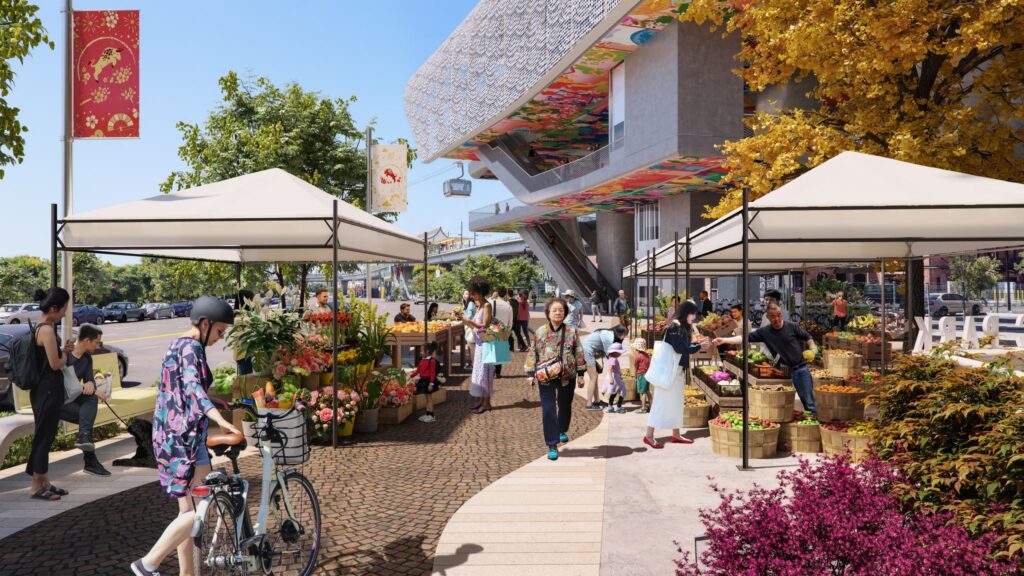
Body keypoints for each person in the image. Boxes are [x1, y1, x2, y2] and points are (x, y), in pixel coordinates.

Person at [131, 297, 241, 576]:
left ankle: (187, 574)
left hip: (176, 436)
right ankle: (148, 564)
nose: (220, 337)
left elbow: (177, 387)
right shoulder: (192, 347)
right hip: (182, 440)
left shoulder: (178, 343)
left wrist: (211, 399)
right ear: (205, 324)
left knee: (189, 512)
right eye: (219, 331)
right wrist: (221, 421)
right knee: (200, 509)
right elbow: (191, 387)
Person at [714, 303, 818, 416]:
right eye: (773, 316)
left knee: (809, 403)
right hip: (781, 371)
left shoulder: (792, 326)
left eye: (779, 315)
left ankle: (814, 425)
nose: (777, 318)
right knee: (781, 405)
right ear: (768, 317)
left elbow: (808, 337)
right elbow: (744, 338)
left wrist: (813, 348)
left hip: (800, 369)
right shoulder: (765, 332)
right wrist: (724, 340)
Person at [26, 287, 75, 501]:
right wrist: (65, 354)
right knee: (43, 437)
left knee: (46, 435)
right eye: (63, 309)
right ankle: (36, 486)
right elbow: (55, 364)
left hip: (44, 390)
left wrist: (62, 352)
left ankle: (44, 480)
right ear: (54, 308)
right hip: (47, 390)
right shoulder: (46, 330)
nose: (64, 313)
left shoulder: (42, 328)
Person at [524, 297, 586, 461]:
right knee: (548, 409)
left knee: (565, 404)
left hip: (567, 375)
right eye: (554, 310)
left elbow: (578, 352)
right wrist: (530, 373)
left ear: (565, 313)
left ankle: (562, 428)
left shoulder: (571, 331)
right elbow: (532, 352)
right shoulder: (540, 332)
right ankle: (552, 444)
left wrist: (581, 374)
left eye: (561, 310)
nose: (558, 312)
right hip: (546, 376)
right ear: (548, 313)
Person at [644, 301, 708, 449]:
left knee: (676, 404)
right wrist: (699, 346)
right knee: (660, 403)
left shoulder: (680, 327)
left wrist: (697, 345)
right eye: (693, 315)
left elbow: (683, 347)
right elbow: (680, 348)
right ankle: (648, 435)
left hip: (676, 371)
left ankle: (676, 434)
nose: (694, 318)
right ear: (687, 313)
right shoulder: (675, 326)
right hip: (669, 372)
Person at [60, 324, 110, 476]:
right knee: (86, 418)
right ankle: (90, 462)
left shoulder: (87, 358)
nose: (98, 345)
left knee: (90, 403)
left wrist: (90, 384)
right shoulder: (65, 355)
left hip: (73, 398)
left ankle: (85, 441)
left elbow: (90, 383)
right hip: (57, 402)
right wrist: (88, 388)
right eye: (97, 342)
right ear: (87, 340)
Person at [462, 276, 495, 414]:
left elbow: (484, 325)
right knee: (480, 373)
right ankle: (482, 400)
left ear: (480, 292)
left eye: (473, 293)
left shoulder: (486, 305)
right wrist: (464, 320)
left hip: (486, 344)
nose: (471, 295)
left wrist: (468, 320)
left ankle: (487, 403)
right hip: (480, 344)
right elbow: (475, 324)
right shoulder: (479, 306)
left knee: (485, 374)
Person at [581, 325, 629, 411]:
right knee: (593, 377)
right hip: (587, 350)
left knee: (594, 376)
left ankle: (597, 401)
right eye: (624, 335)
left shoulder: (611, 334)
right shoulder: (609, 337)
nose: (624, 337)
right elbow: (610, 354)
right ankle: (589, 404)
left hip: (589, 350)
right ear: (619, 333)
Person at [412, 342, 442, 423]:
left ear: (427, 351)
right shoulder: (422, 360)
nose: (421, 352)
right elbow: (418, 370)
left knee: (429, 399)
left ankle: (431, 415)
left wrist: (431, 384)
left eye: (422, 350)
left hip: (428, 382)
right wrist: (410, 376)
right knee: (426, 399)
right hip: (423, 381)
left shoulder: (432, 361)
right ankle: (427, 413)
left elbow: (432, 373)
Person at [492, 288, 514, 377]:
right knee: (500, 351)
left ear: (497, 293)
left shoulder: (491, 303)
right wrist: (508, 330)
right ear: (505, 294)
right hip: (503, 329)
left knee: (491, 349)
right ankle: (498, 372)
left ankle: (491, 369)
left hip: (493, 327)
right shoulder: (508, 306)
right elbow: (510, 321)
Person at [234, 289, 256, 376]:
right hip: (245, 356)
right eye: (252, 299)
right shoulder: (242, 318)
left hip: (243, 355)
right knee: (247, 383)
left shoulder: (240, 316)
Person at [601, 342, 627, 414]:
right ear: (615, 352)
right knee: (623, 390)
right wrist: (611, 378)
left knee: (614, 392)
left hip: (615, 376)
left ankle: (610, 406)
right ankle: (618, 406)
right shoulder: (613, 359)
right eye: (619, 352)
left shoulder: (611, 357)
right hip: (614, 377)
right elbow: (609, 368)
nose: (620, 354)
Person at [631, 338, 652, 414]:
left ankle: (643, 407)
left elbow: (635, 366)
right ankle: (651, 406)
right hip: (647, 374)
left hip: (641, 375)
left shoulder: (638, 356)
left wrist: (635, 375)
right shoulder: (647, 355)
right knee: (647, 391)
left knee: (643, 392)